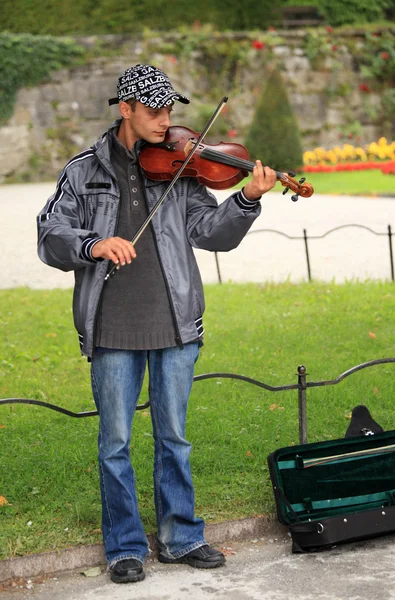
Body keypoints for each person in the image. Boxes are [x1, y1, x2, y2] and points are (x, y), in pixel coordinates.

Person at [37, 63, 277, 584]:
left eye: (171, 109)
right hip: (112, 328)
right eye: (154, 109)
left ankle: (181, 536)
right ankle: (124, 546)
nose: (166, 120)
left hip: (175, 325)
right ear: (125, 109)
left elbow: (210, 231)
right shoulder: (83, 171)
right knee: (115, 442)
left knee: (175, 438)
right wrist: (92, 244)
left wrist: (247, 199)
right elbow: (49, 233)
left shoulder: (183, 166)